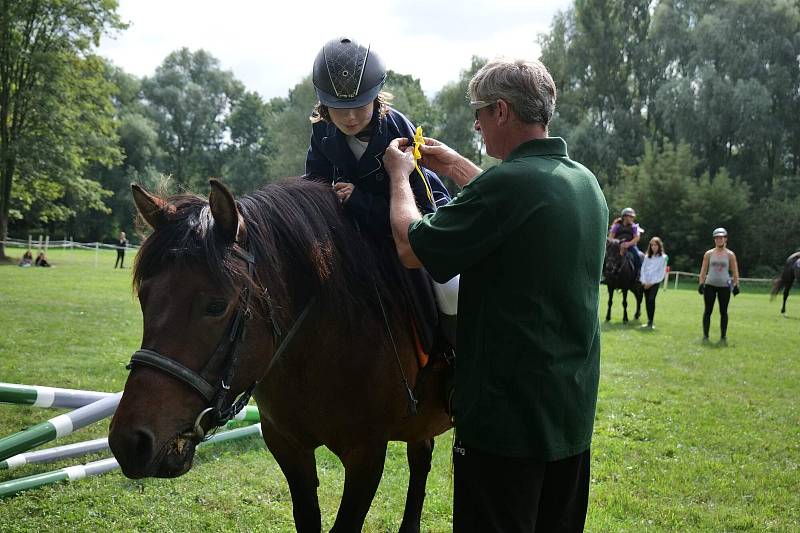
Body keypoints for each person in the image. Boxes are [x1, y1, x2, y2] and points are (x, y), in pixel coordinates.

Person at [384, 57, 608, 532]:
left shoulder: (509, 185)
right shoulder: (583, 182)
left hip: (504, 426)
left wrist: (399, 177)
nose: (477, 123)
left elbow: (409, 246)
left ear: (502, 111)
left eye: (480, 112)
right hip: (568, 419)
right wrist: (451, 163)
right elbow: (513, 202)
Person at [304, 37, 457, 349]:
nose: (349, 118)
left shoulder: (397, 127)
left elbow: (423, 212)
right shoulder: (322, 132)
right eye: (339, 108)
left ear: (376, 97)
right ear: (324, 105)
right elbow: (314, 188)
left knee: (451, 287)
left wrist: (358, 201)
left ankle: (456, 362)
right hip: (357, 236)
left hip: (422, 226)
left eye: (359, 106)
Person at [698, 227, 740, 344]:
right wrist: (701, 283)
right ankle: (705, 335)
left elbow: (735, 271)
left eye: (721, 238)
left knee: (724, 311)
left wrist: (736, 284)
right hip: (710, 285)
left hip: (725, 286)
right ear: (714, 240)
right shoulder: (709, 254)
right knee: (708, 311)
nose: (719, 240)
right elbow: (703, 269)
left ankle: (723, 336)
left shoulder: (730, 255)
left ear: (725, 239)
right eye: (716, 238)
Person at [639, 237, 667, 329]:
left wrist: (651, 283)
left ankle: (651, 322)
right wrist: (644, 281)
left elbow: (661, 272)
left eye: (655, 245)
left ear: (659, 246)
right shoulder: (647, 257)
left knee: (651, 300)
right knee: (647, 301)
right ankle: (649, 321)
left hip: (654, 283)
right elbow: (643, 269)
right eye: (652, 245)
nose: (653, 247)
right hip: (645, 282)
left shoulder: (663, 258)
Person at [608, 207, 642, 277]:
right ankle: (605, 274)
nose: (631, 218)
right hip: (617, 247)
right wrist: (617, 243)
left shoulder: (634, 227)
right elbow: (611, 237)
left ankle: (639, 274)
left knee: (637, 256)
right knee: (608, 256)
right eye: (629, 216)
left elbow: (637, 238)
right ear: (624, 217)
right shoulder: (616, 226)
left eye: (632, 217)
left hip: (630, 246)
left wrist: (628, 244)